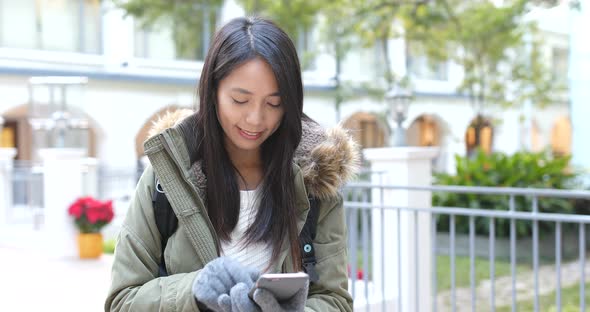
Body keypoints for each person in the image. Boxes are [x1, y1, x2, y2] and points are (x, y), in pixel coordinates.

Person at [105, 16, 359, 312]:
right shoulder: (167, 177)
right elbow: (122, 302)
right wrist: (196, 291)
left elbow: (335, 301)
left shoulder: (315, 181)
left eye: (274, 103)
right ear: (212, 92)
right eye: (240, 100)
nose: (255, 119)